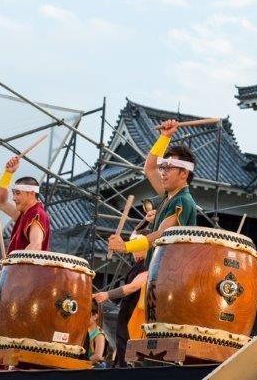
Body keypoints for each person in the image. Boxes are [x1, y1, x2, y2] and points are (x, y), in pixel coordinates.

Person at [107, 119, 198, 257]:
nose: (163, 172)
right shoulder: (170, 196)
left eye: (168, 168)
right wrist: (165, 137)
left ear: (184, 173)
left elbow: (163, 234)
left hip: (171, 271)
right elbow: (150, 168)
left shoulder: (183, 200)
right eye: (163, 168)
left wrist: (126, 246)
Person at [93, 219, 153, 366]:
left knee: (129, 343)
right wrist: (145, 220)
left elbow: (132, 287)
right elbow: (134, 235)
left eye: (137, 245)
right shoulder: (138, 264)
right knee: (121, 342)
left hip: (136, 311)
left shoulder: (148, 266)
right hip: (127, 308)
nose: (133, 249)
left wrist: (107, 294)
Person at [0, 155, 51, 253]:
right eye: (14, 194)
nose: (14, 198)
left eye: (18, 193)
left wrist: (15, 265)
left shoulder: (36, 213)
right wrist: (8, 174)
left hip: (25, 268)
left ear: (31, 193)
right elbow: (1, 202)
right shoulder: (24, 215)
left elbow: (36, 245)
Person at [86, 302, 107, 367]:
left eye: (86, 315)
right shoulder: (84, 331)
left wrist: (81, 364)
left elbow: (97, 356)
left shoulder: (99, 334)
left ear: (95, 316)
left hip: (94, 367)